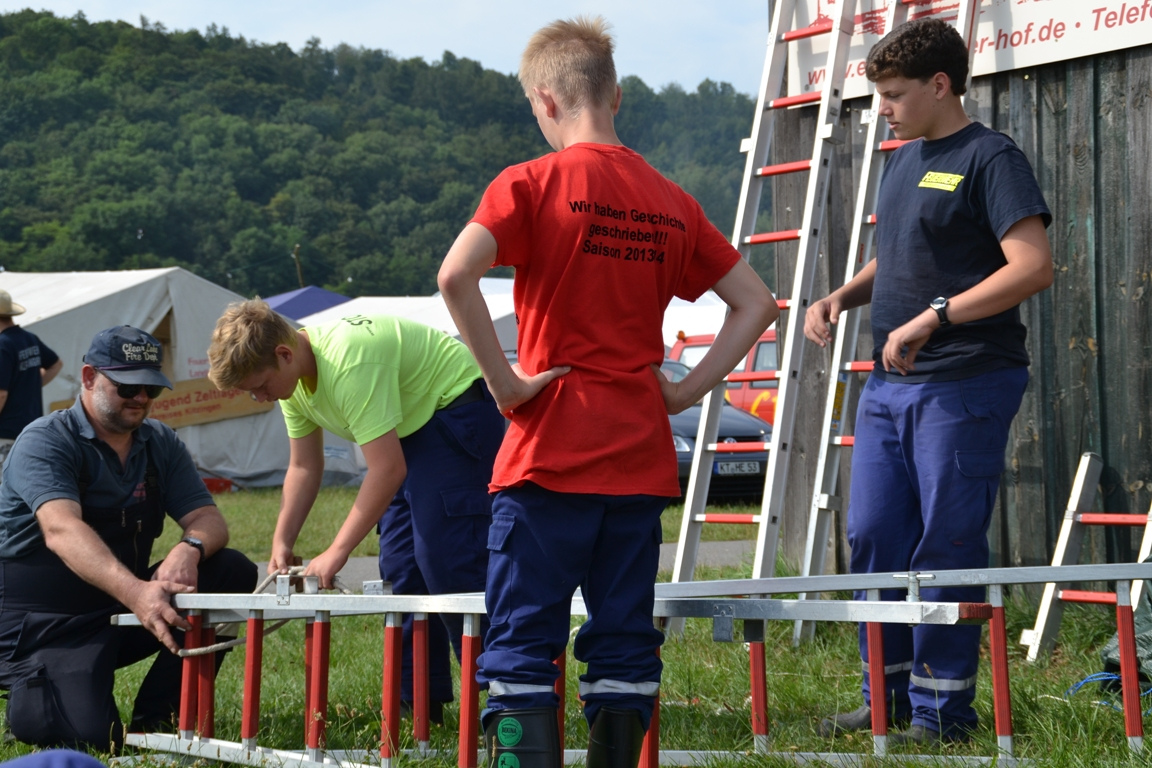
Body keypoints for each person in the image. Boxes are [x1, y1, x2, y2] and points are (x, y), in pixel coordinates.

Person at [438, 16, 778, 768]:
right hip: (638, 462)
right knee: (624, 641)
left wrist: (505, 384)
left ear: (545, 101)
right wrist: (685, 392)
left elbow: (455, 275)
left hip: (548, 454)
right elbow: (758, 304)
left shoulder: (529, 183)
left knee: (522, 643)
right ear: (615, 95)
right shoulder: (671, 200)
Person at [804, 18, 1053, 746]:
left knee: (946, 542)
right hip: (890, 385)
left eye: (893, 94)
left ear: (940, 85)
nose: (882, 108)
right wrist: (842, 295)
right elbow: (902, 253)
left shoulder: (991, 157)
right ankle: (881, 699)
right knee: (873, 535)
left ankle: (941, 714)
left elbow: (1032, 266)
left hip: (966, 380)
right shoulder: (904, 159)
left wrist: (936, 316)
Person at [207, 300, 504, 723]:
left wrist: (337, 550)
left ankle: (505, 697)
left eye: (260, 386)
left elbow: (387, 469)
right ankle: (417, 705)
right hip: (407, 425)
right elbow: (304, 466)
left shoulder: (348, 363)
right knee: (401, 567)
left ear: (283, 354)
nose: (259, 398)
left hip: (452, 407)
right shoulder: (292, 382)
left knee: (447, 559)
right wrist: (282, 540)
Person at [0, 326, 257, 750]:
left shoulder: (160, 442)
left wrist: (189, 548)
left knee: (230, 569)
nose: (140, 398)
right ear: (88, 377)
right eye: (127, 387)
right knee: (93, 739)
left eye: (150, 389)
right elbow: (62, 529)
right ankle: (33, 695)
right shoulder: (45, 440)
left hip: (118, 611)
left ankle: (162, 720)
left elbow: (208, 519)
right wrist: (137, 593)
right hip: (42, 628)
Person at [0, 290, 62, 467]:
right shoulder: (29, 338)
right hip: (32, 428)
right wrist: (29, 386)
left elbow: (1, 394)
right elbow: (56, 364)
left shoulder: (2, 345)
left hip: (6, 433)